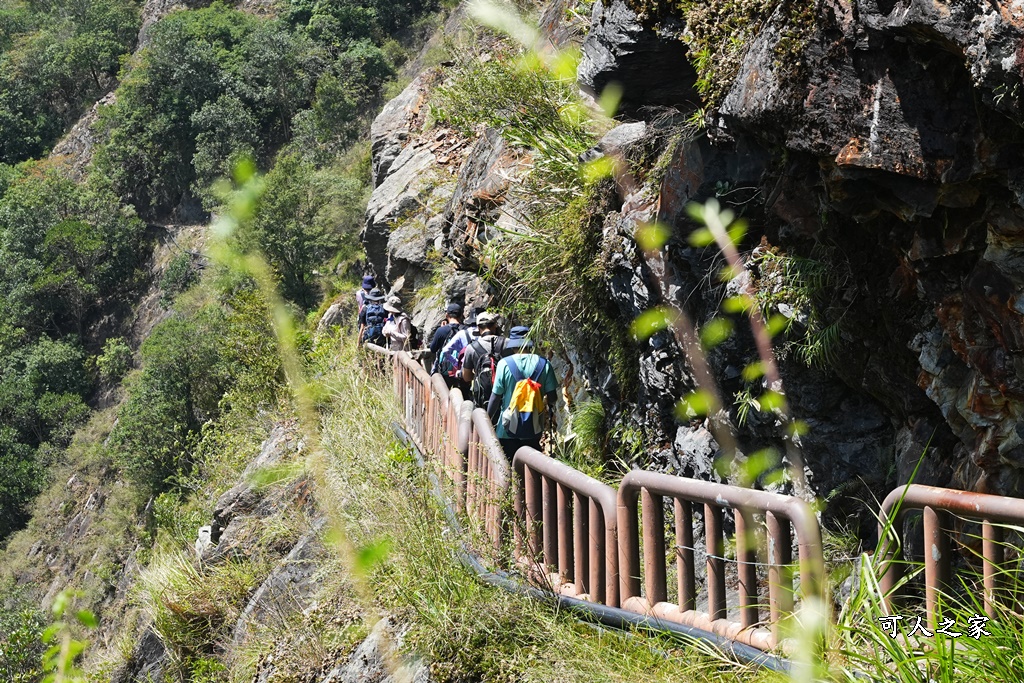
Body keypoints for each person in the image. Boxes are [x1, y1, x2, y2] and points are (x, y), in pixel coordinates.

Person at [487, 330, 558, 460]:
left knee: (506, 466)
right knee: (531, 469)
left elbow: (496, 396)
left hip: (507, 428)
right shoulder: (545, 364)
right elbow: (552, 398)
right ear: (530, 344)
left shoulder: (504, 364)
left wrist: (487, 420)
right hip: (534, 426)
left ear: (513, 345)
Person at [461, 312, 507, 406]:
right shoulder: (507, 343)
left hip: (482, 400)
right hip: (505, 397)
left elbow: (466, 377)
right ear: (495, 326)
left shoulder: (471, 348)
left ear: (478, 328)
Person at [437, 310, 480, 391]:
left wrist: (456, 363)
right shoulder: (487, 336)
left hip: (465, 370)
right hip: (482, 370)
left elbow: (445, 350)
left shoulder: (462, 333)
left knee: (464, 394)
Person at [430, 303, 465, 379]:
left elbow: (433, 349)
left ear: (447, 315)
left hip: (444, 371)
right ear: (461, 315)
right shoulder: (466, 330)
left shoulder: (441, 330)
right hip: (462, 370)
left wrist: (442, 329)